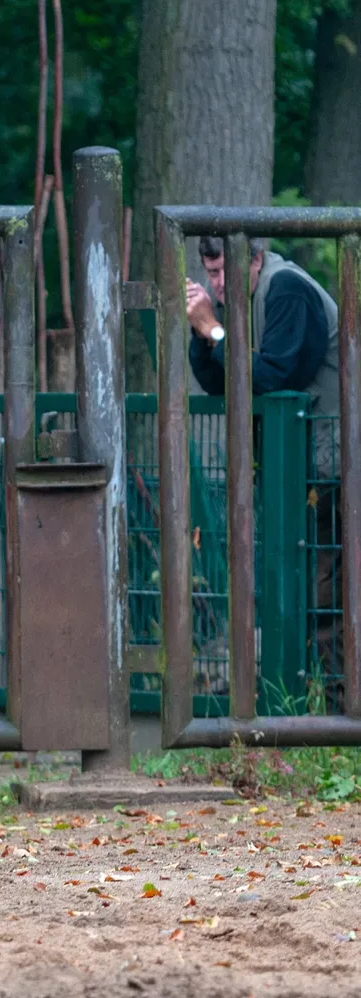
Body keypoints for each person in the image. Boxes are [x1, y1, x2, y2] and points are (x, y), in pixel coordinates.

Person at [185, 236, 343, 706]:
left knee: (323, 592)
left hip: (330, 469)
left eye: (222, 272)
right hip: (294, 470)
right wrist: (203, 332)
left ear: (254, 258)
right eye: (210, 274)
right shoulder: (241, 298)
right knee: (294, 588)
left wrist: (214, 331)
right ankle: (305, 706)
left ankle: (334, 711)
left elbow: (269, 374)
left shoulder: (287, 290)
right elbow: (219, 382)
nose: (216, 284)